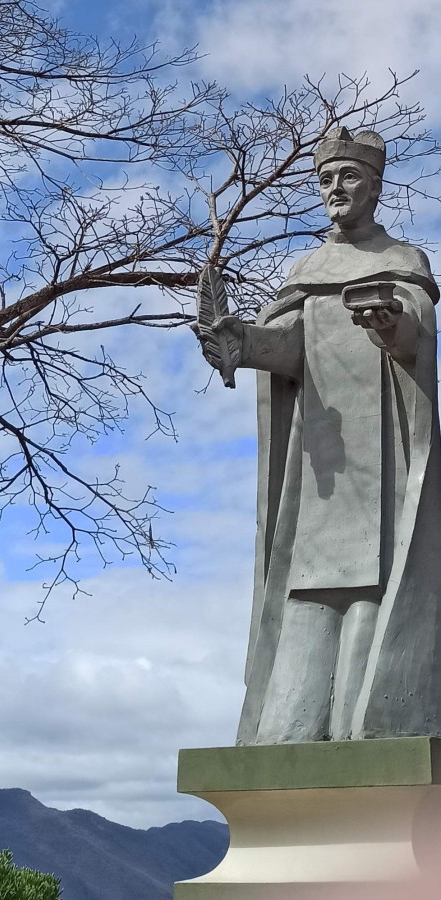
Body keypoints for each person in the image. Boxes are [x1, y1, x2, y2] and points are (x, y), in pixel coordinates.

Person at [204, 127, 441, 744]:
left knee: (374, 594)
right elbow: (288, 352)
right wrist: (245, 342)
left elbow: (417, 344)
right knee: (307, 593)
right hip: (320, 466)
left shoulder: (405, 261)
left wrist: (390, 326)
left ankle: (367, 723)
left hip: (382, 462)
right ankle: (292, 727)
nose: (336, 189)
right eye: (326, 179)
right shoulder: (307, 269)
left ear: (376, 185)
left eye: (350, 176)